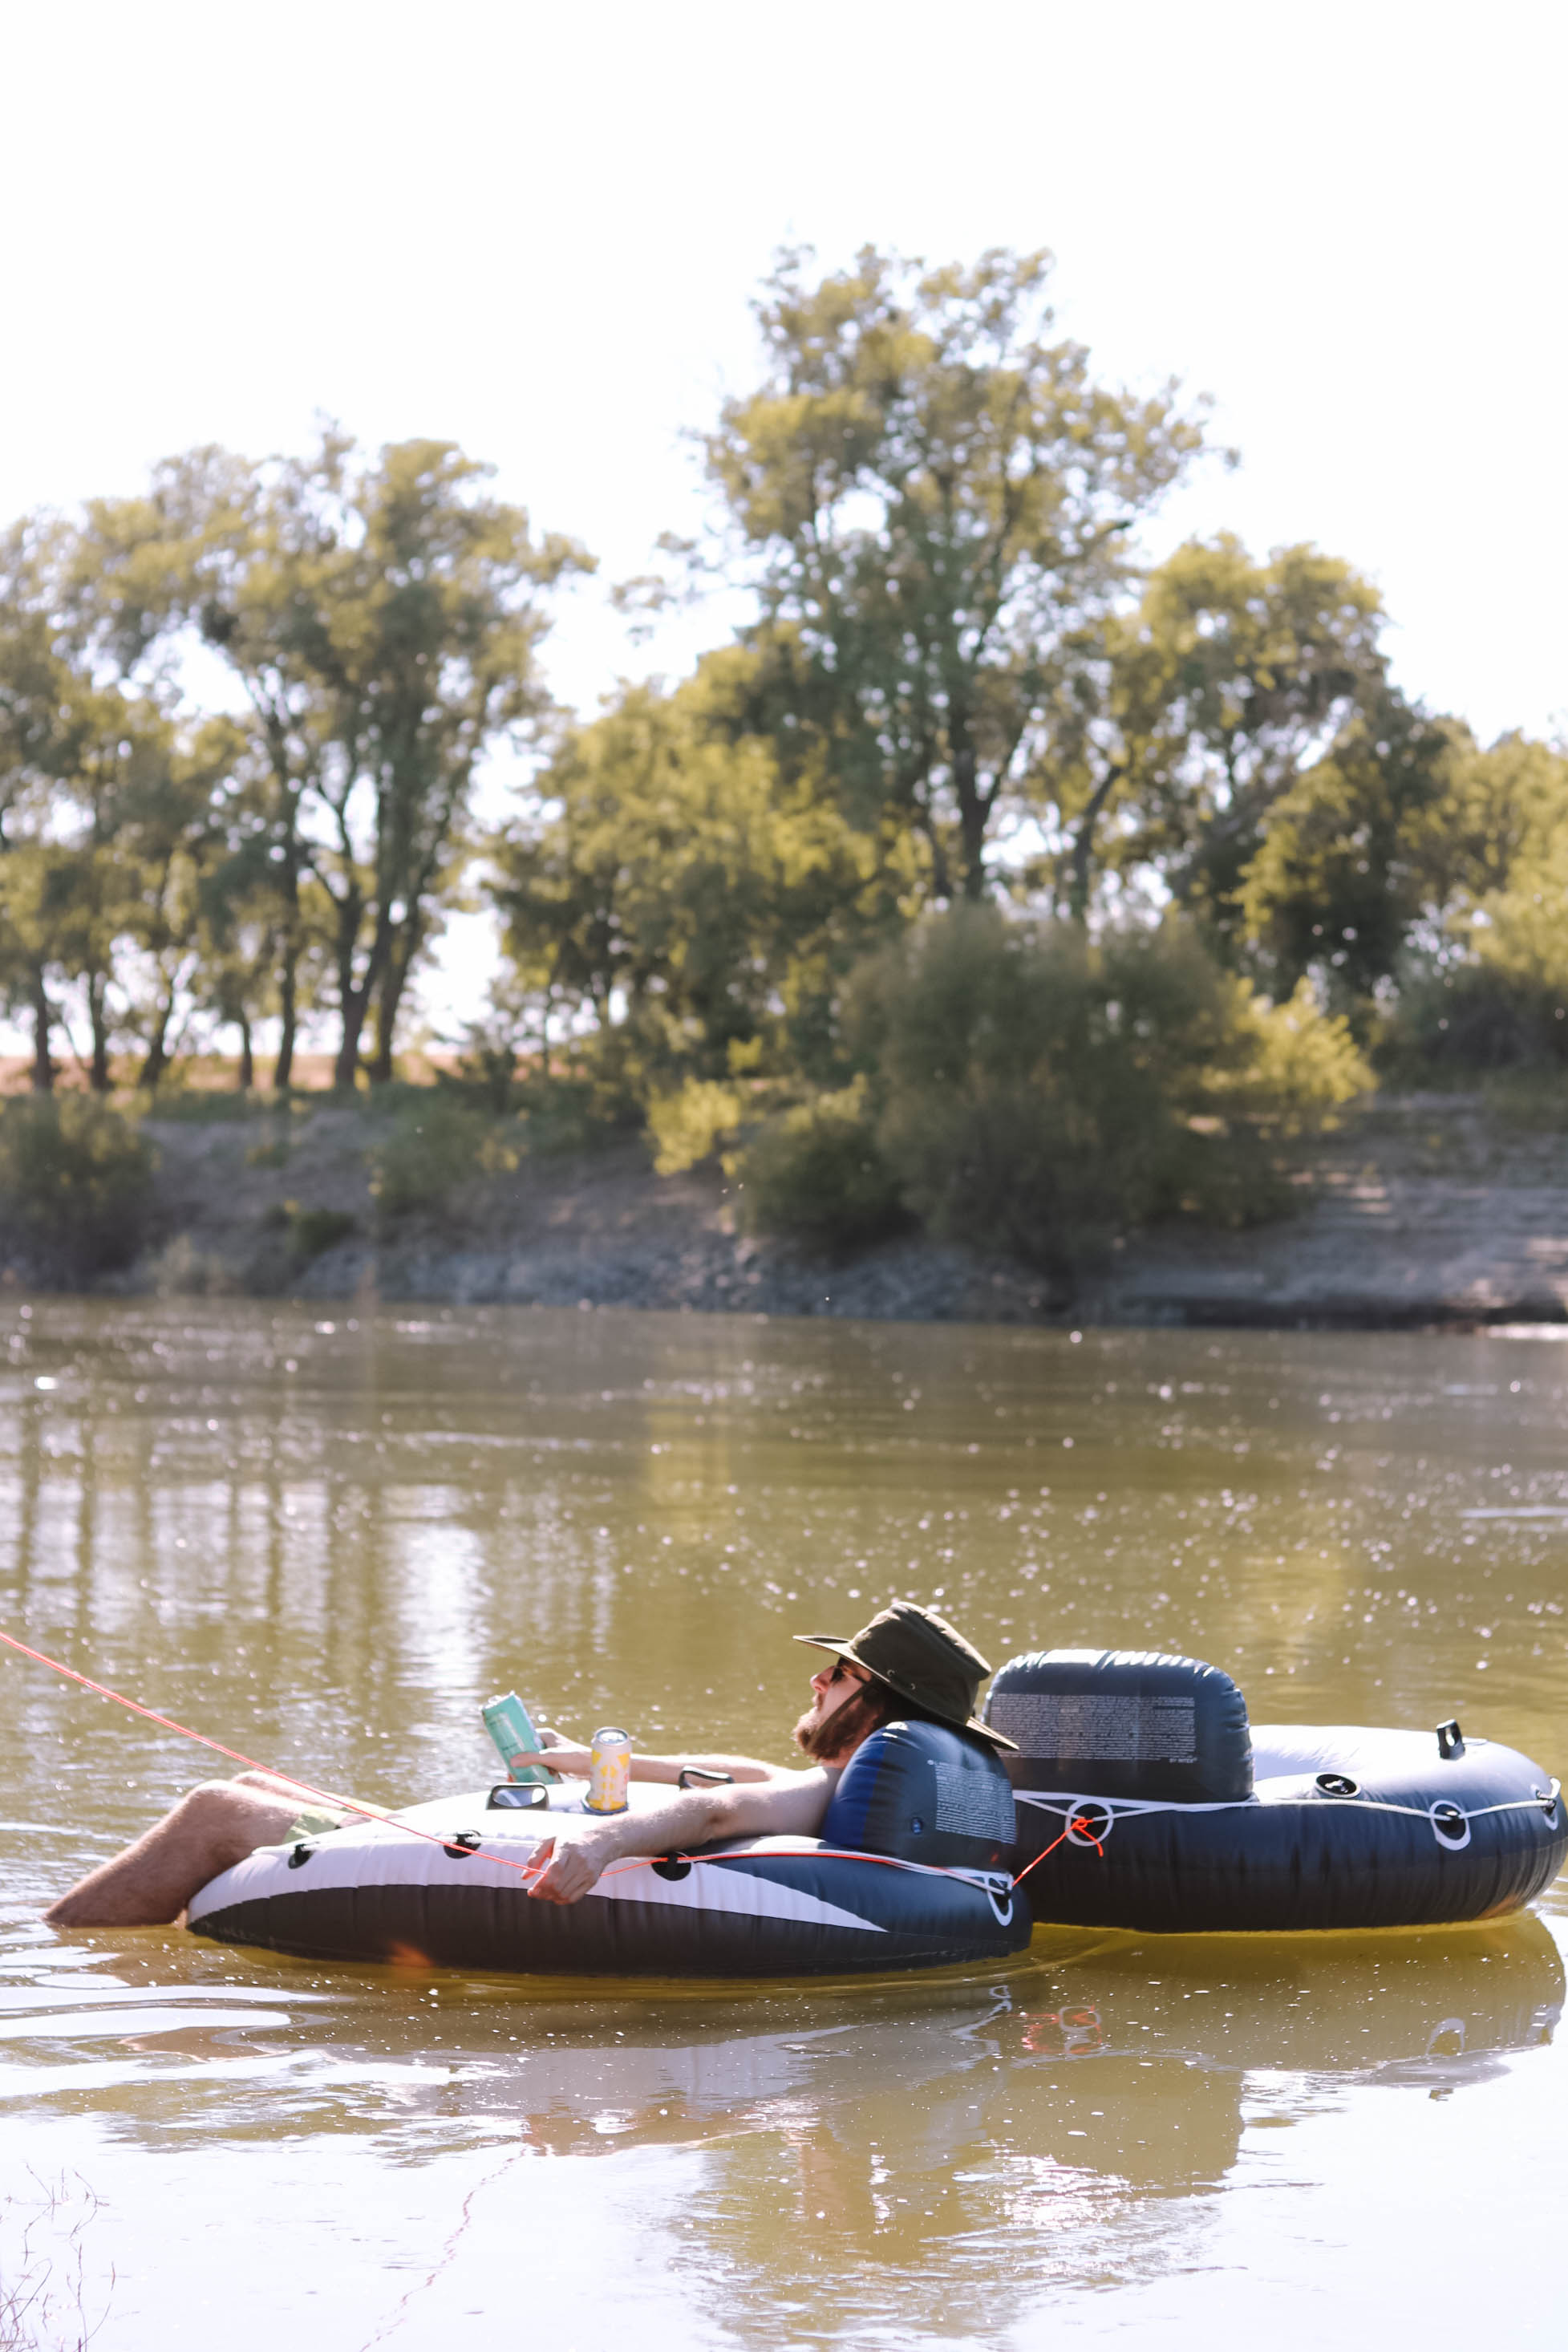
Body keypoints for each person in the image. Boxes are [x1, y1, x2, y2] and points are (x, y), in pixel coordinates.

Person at [43, 1601, 1012, 1927]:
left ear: (871, 1697)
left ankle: (54, 1947)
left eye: (834, 1672)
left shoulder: (824, 1784)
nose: (814, 1681)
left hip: (542, 1858)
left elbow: (713, 1818)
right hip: (541, 1826)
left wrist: (601, 1846)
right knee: (263, 1795)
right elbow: (720, 1780)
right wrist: (575, 1757)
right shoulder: (857, 1784)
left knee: (219, 1804)